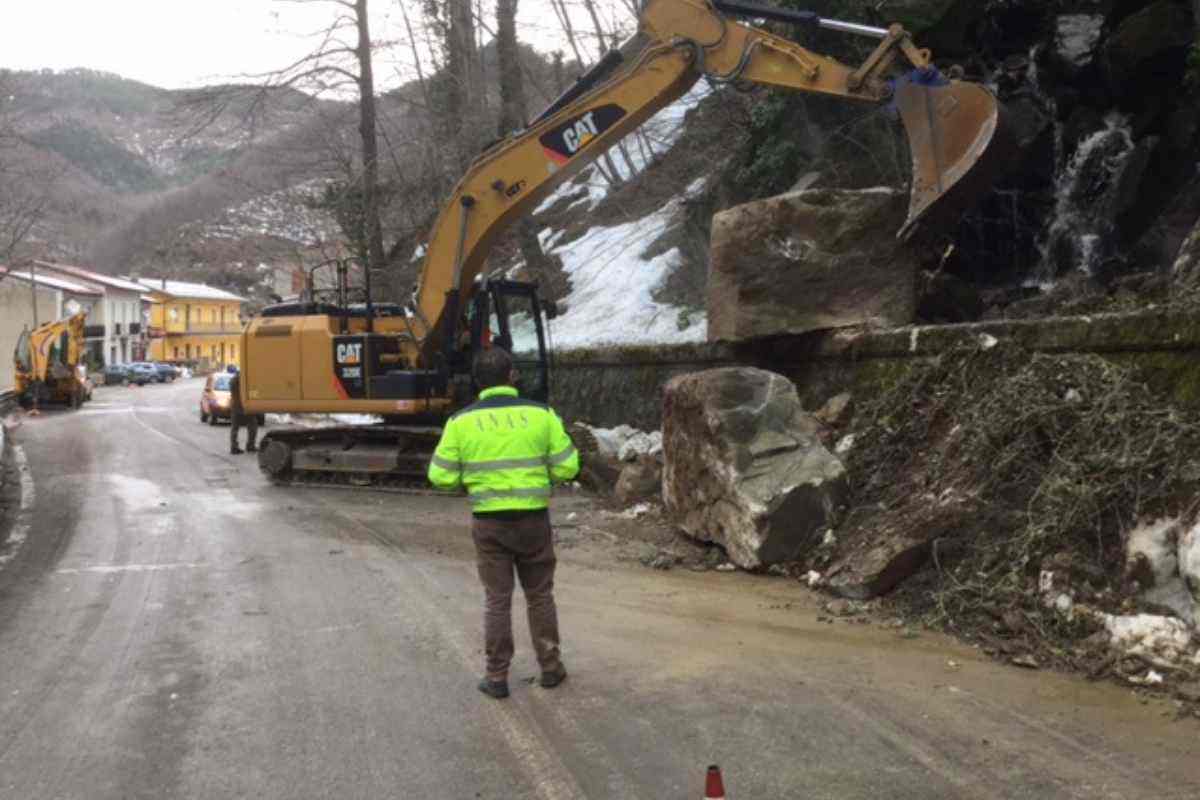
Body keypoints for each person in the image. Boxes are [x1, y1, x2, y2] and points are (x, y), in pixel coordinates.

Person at [427, 347, 579, 700]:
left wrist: (468, 482)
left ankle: (496, 677)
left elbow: (440, 476)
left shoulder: (460, 422)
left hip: (489, 524)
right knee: (539, 595)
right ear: (512, 375)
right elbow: (568, 467)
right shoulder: (542, 415)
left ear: (478, 382)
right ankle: (551, 667)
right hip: (533, 521)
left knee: (497, 599)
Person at [228, 370, 258, 455]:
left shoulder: (233, 381)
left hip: (236, 407)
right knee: (252, 426)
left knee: (235, 428)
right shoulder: (243, 381)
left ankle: (234, 447)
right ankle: (250, 445)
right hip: (244, 407)